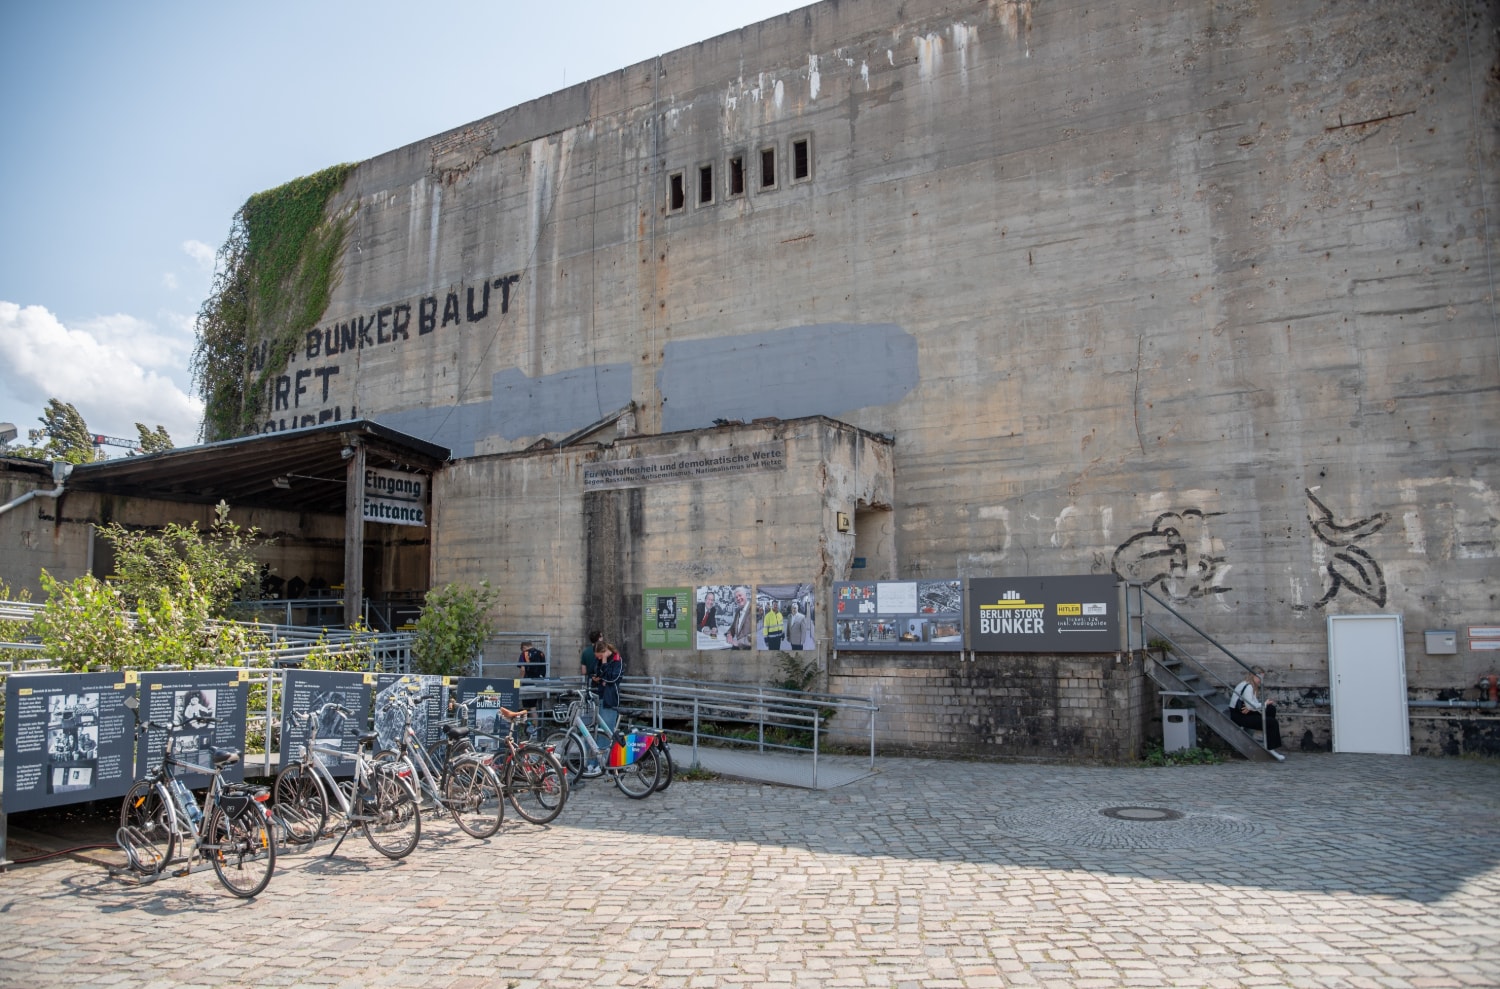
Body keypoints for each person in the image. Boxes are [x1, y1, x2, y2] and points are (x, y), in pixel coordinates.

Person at [1229, 666, 1283, 757]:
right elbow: (1250, 705)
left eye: (1262, 678)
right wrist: (1263, 704)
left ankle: (1266, 737)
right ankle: (1270, 748)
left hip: (1244, 712)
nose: (1261, 680)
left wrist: (1251, 707)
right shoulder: (1248, 686)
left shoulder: (1249, 684)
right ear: (1253, 675)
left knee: (1271, 709)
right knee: (1272, 722)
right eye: (1259, 677)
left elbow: (1252, 704)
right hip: (1239, 716)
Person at [595, 640, 623, 731]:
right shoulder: (600, 661)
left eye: (600, 656)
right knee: (598, 727)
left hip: (610, 697)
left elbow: (612, 678)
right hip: (600, 695)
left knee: (606, 727)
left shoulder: (617, 660)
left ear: (604, 652)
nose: (599, 658)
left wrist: (604, 662)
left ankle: (606, 745)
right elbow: (598, 673)